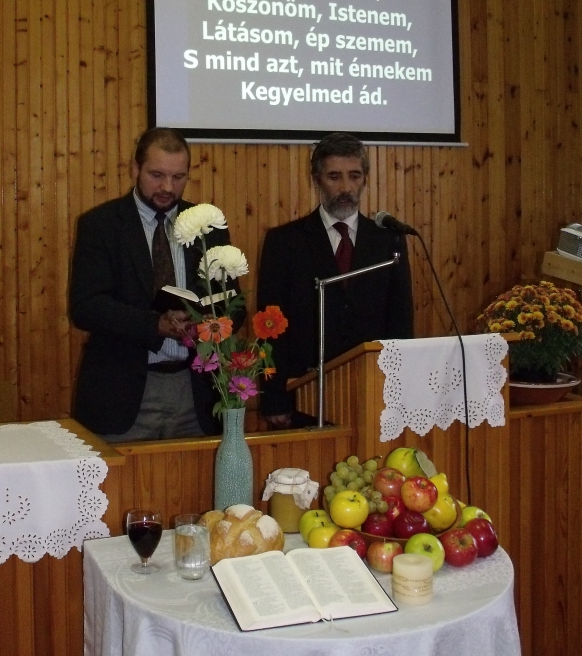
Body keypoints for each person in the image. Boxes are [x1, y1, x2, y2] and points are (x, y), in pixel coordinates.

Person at [70, 128, 240, 441]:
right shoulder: (101, 225)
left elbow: (234, 305)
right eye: (157, 175)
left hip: (197, 393)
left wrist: (208, 324)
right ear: (135, 168)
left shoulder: (208, 227)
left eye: (178, 177)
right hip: (123, 394)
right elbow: (87, 307)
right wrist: (155, 325)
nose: (167, 187)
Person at [257, 132, 413, 428]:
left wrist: (400, 391)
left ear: (365, 179)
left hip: (374, 392)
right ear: (316, 179)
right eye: (334, 176)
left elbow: (400, 322)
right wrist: (274, 397)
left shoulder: (387, 241)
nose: (345, 187)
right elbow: (270, 327)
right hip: (305, 395)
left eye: (354, 176)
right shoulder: (284, 242)